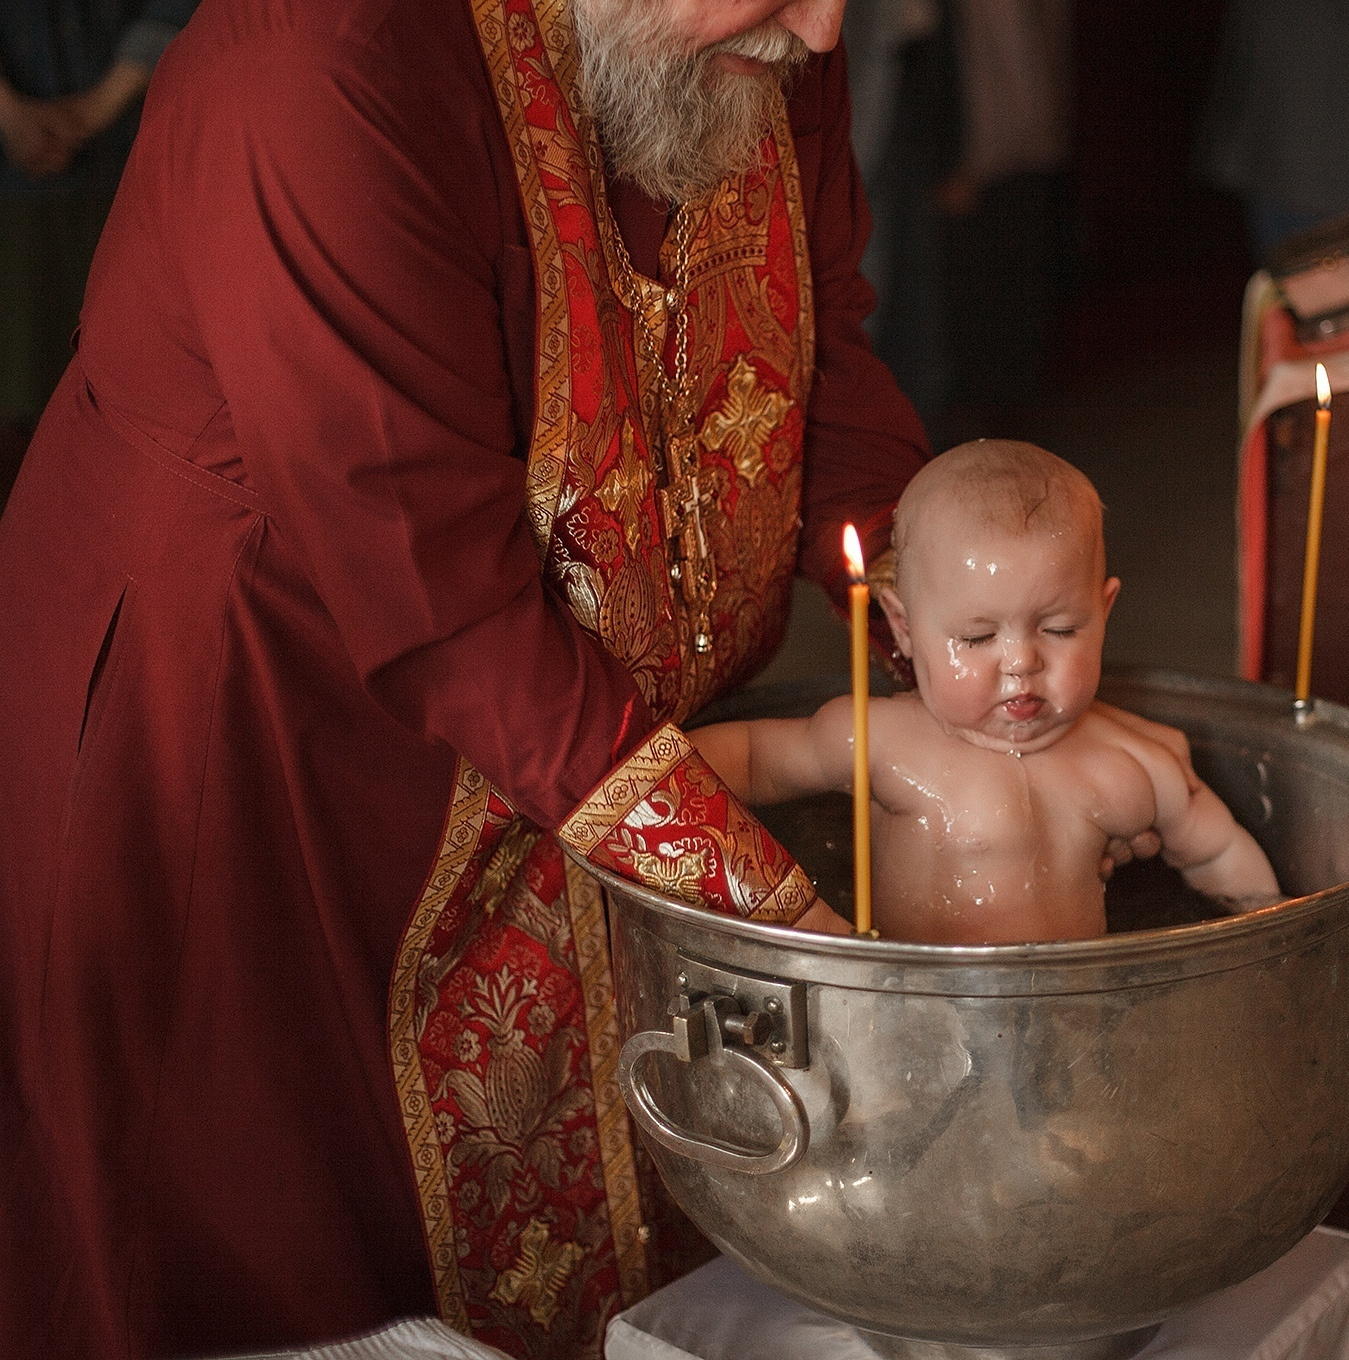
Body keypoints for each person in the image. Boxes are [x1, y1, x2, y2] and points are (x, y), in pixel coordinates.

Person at [0, 0, 929, 1355]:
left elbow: (820, 349)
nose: (828, 31)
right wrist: (780, 922)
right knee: (289, 1246)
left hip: (563, 737)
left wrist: (963, 626)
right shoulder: (321, 58)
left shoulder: (748, 33)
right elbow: (438, 601)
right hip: (251, 747)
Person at [693, 441, 1280, 943]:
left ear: (1104, 613)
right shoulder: (880, 741)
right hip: (910, 1021)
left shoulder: (1132, 765)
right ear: (903, 626)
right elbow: (748, 756)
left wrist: (1266, 936)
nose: (1021, 661)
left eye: (1059, 629)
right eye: (976, 638)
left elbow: (1220, 856)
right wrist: (657, 785)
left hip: (1073, 1021)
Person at [0, 0, 198, 496]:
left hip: (136, 157)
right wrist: (10, 113)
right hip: (19, 182)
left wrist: (99, 105)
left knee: (138, 394)